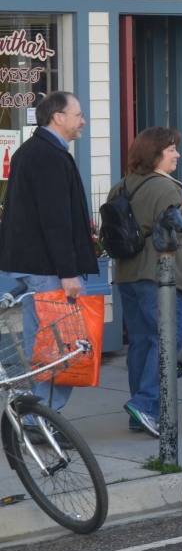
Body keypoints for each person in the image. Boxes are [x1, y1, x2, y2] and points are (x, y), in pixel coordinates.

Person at [0, 91, 98, 411]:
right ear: (58, 117)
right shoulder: (49, 156)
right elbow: (55, 220)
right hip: (49, 270)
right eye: (78, 115)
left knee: (43, 347)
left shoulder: (32, 150)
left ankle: (36, 417)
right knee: (60, 350)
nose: (83, 121)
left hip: (37, 267)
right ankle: (39, 419)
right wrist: (68, 272)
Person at [109, 127, 182, 436]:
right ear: (154, 154)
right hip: (159, 277)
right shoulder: (167, 189)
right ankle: (146, 405)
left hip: (127, 275)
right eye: (171, 149)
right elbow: (174, 236)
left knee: (141, 342)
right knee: (166, 342)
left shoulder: (120, 186)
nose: (177, 155)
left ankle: (140, 413)